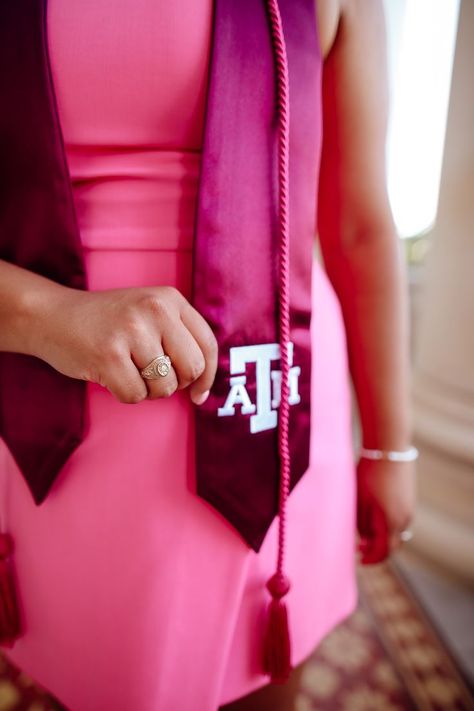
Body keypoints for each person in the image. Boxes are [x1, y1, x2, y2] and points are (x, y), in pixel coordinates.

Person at [0, 0, 416, 709]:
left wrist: (390, 446)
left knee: (264, 685)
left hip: (279, 413)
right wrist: (48, 317)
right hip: (54, 418)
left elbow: (357, 224)